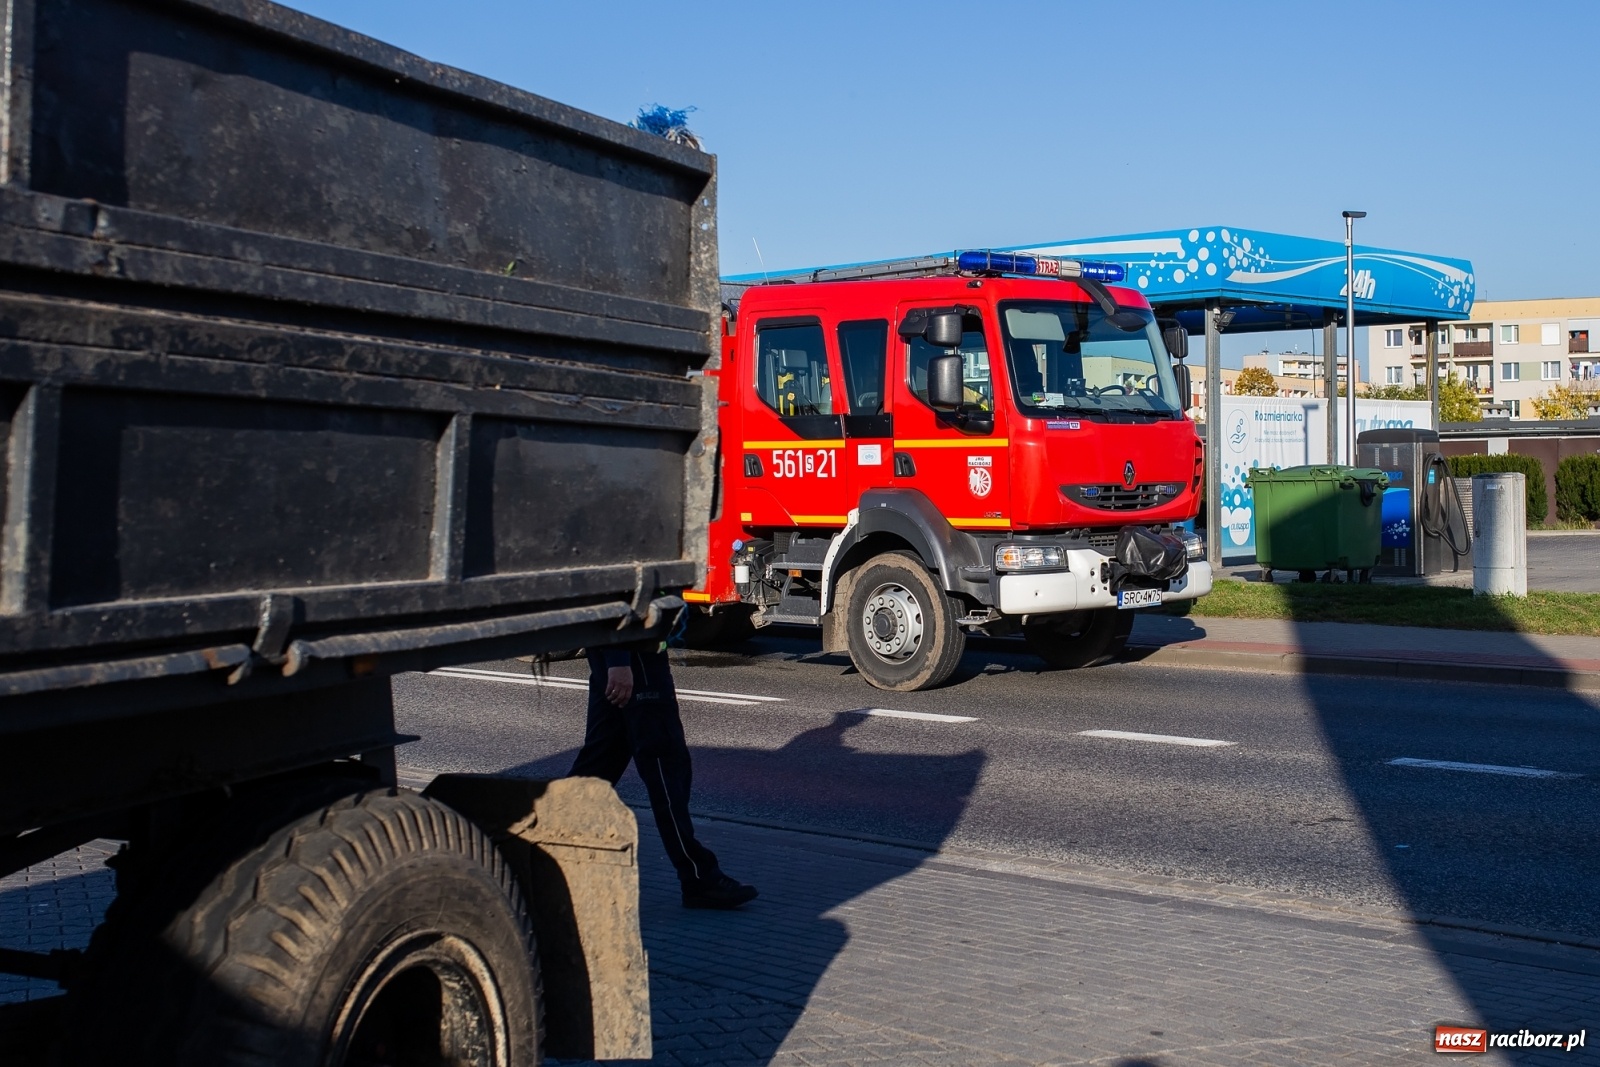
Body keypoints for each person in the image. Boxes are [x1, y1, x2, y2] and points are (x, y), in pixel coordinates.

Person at [569, 637, 758, 910]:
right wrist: (619, 662)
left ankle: (538, 845)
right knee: (666, 773)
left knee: (596, 767)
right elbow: (620, 598)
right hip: (637, 658)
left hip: (627, 655)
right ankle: (699, 877)